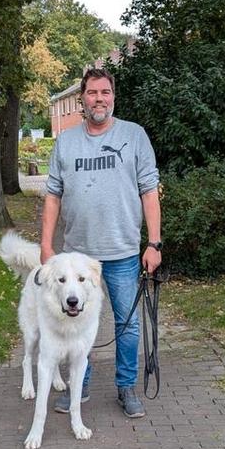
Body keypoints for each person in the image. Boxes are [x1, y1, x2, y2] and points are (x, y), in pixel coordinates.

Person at [41, 66, 162, 418]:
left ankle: (126, 387)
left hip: (123, 252)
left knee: (128, 323)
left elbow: (149, 191)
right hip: (77, 257)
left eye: (105, 92)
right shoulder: (66, 142)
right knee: (74, 322)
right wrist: (47, 248)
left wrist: (153, 243)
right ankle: (80, 387)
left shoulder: (134, 136)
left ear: (113, 97)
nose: (99, 99)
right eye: (92, 93)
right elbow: (52, 196)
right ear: (83, 98)